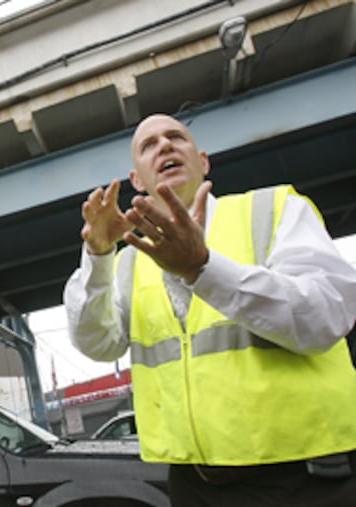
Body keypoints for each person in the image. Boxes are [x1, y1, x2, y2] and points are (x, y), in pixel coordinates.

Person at [63, 114, 356, 506]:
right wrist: (98, 257)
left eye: (175, 137)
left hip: (305, 477)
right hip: (194, 485)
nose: (164, 146)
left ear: (203, 162)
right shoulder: (129, 263)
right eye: (149, 145)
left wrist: (202, 268)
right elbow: (98, 344)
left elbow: (326, 317)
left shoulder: (272, 210)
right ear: (137, 181)